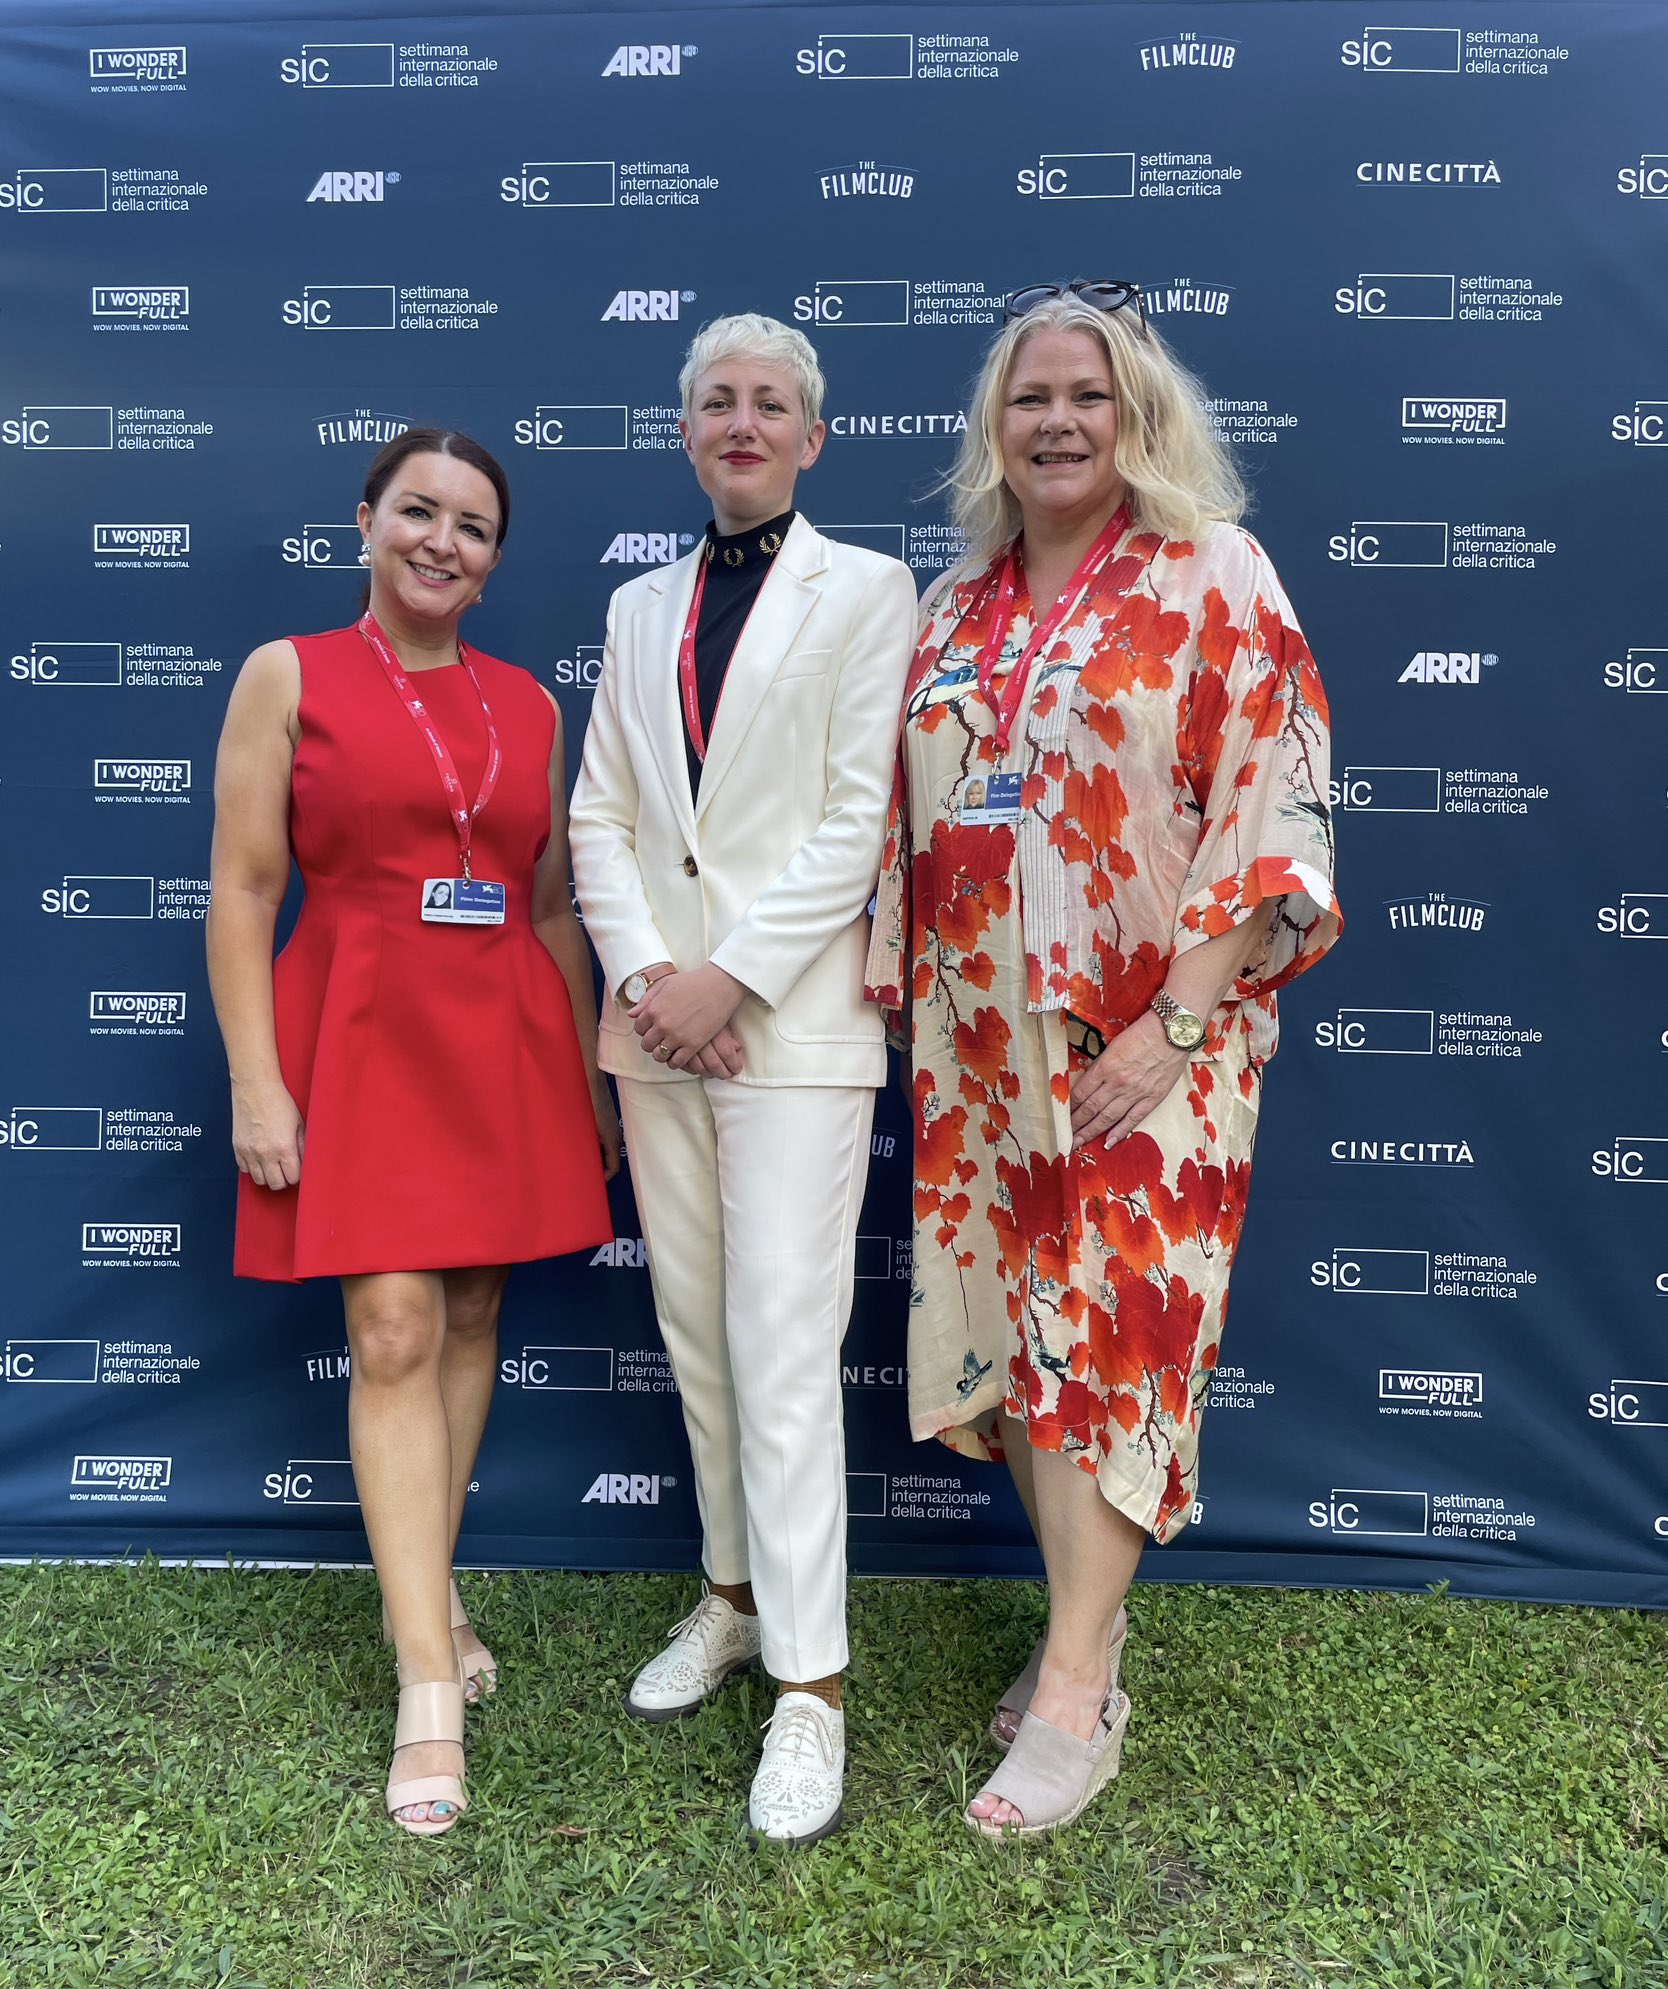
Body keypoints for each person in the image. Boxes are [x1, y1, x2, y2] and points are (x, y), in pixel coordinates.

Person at [866, 281, 1341, 1837]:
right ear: (991, 431)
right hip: (987, 1054)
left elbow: (1268, 800)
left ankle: (1074, 1692)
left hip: (1158, 1049)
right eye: (1028, 399)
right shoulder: (953, 608)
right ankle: (1092, 1623)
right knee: (1023, 1353)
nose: (1056, 423)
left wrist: (1176, 1021)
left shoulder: (1215, 573)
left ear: (1138, 413)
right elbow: (912, 823)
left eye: (1085, 395)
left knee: (1116, 1348)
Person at [207, 425, 618, 1837]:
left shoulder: (530, 705)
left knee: (469, 1316)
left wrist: (589, 1080)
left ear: (496, 564)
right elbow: (246, 895)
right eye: (419, 512)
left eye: (475, 526)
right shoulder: (290, 674)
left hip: (501, 1040)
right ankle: (427, 1686)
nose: (444, 540)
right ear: (366, 521)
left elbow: (554, 908)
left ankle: (425, 1593)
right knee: (389, 1327)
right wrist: (261, 1085)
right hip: (360, 1032)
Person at [569, 313, 917, 1844]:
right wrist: (652, 979)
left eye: (771, 402)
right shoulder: (637, 606)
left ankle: (812, 1690)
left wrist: (729, 980)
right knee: (698, 1338)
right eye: (717, 400)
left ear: (811, 437)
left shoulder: (873, 590)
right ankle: (728, 1599)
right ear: (687, 431)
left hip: (789, 1028)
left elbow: (857, 820)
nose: (743, 421)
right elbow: (600, 819)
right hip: (660, 1034)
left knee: (782, 1347)